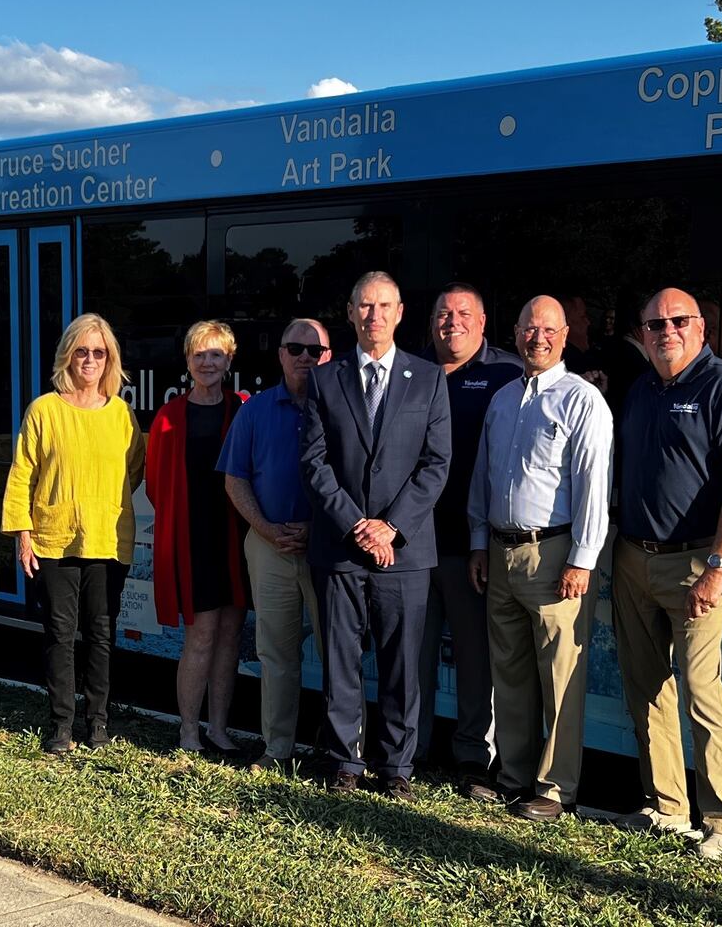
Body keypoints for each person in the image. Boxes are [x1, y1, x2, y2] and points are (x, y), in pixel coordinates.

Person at [613, 287, 722, 859]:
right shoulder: (641, 389)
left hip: (695, 564)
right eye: (654, 324)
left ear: (701, 329)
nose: (666, 331)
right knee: (646, 688)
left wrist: (717, 570)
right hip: (633, 558)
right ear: (642, 333)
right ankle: (668, 808)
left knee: (702, 689)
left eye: (679, 321)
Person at [301, 271, 451, 800]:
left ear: (401, 311)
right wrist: (356, 524)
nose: (375, 316)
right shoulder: (324, 379)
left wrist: (391, 526)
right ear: (350, 312)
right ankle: (345, 762)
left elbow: (437, 465)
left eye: (384, 306)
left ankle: (395, 769)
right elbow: (315, 462)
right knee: (340, 660)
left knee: (401, 665)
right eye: (365, 306)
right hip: (340, 547)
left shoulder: (429, 379)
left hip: (404, 552)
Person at [467, 296, 612, 820]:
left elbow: (596, 486)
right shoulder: (504, 399)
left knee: (559, 679)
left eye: (548, 329)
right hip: (502, 555)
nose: (538, 338)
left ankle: (555, 789)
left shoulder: (582, 401)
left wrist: (582, 559)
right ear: (516, 333)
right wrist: (479, 542)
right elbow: (484, 479)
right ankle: (512, 775)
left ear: (565, 334)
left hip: (554, 556)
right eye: (529, 328)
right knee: (509, 674)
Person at [2, 313, 144, 755]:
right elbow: (22, 472)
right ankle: (61, 724)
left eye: (98, 352)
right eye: (81, 351)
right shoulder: (44, 409)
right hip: (53, 540)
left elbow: (133, 471)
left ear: (109, 360)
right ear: (68, 355)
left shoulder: (121, 414)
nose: (90, 360)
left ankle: (97, 722)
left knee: (101, 633)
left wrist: (99, 503)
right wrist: (23, 533)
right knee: (60, 634)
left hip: (106, 540)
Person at [416, 283, 522, 794]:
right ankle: (407, 751)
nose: (451, 322)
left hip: (470, 547)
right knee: (411, 653)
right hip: (411, 542)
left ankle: (472, 757)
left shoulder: (507, 374)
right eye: (442, 313)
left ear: (482, 323)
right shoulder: (410, 372)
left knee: (475, 657)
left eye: (463, 313)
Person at [218, 318, 333, 771]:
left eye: (315, 350)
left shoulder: (344, 409)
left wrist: (320, 526)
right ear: (281, 354)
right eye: (295, 348)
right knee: (276, 653)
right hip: (269, 546)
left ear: (329, 356)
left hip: (327, 547)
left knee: (337, 655)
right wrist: (265, 528)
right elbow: (234, 478)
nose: (305, 356)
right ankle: (277, 749)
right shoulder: (256, 410)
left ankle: (340, 754)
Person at [146, 321, 249, 755]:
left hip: (238, 536)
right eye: (200, 354)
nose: (208, 362)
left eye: (217, 355)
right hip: (195, 540)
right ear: (188, 360)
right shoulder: (170, 416)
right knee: (201, 636)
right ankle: (189, 730)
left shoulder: (243, 407)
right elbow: (154, 484)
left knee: (230, 636)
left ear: (229, 360)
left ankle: (219, 728)